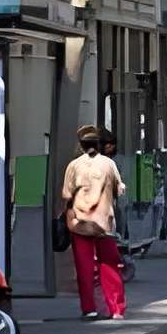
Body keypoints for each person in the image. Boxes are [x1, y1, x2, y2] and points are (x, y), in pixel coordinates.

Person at [61, 124, 127, 320]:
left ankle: (89, 308)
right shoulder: (108, 164)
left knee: (84, 267)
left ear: (81, 145)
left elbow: (66, 195)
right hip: (104, 223)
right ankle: (116, 308)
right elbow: (119, 189)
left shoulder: (73, 166)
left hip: (80, 223)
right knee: (110, 265)